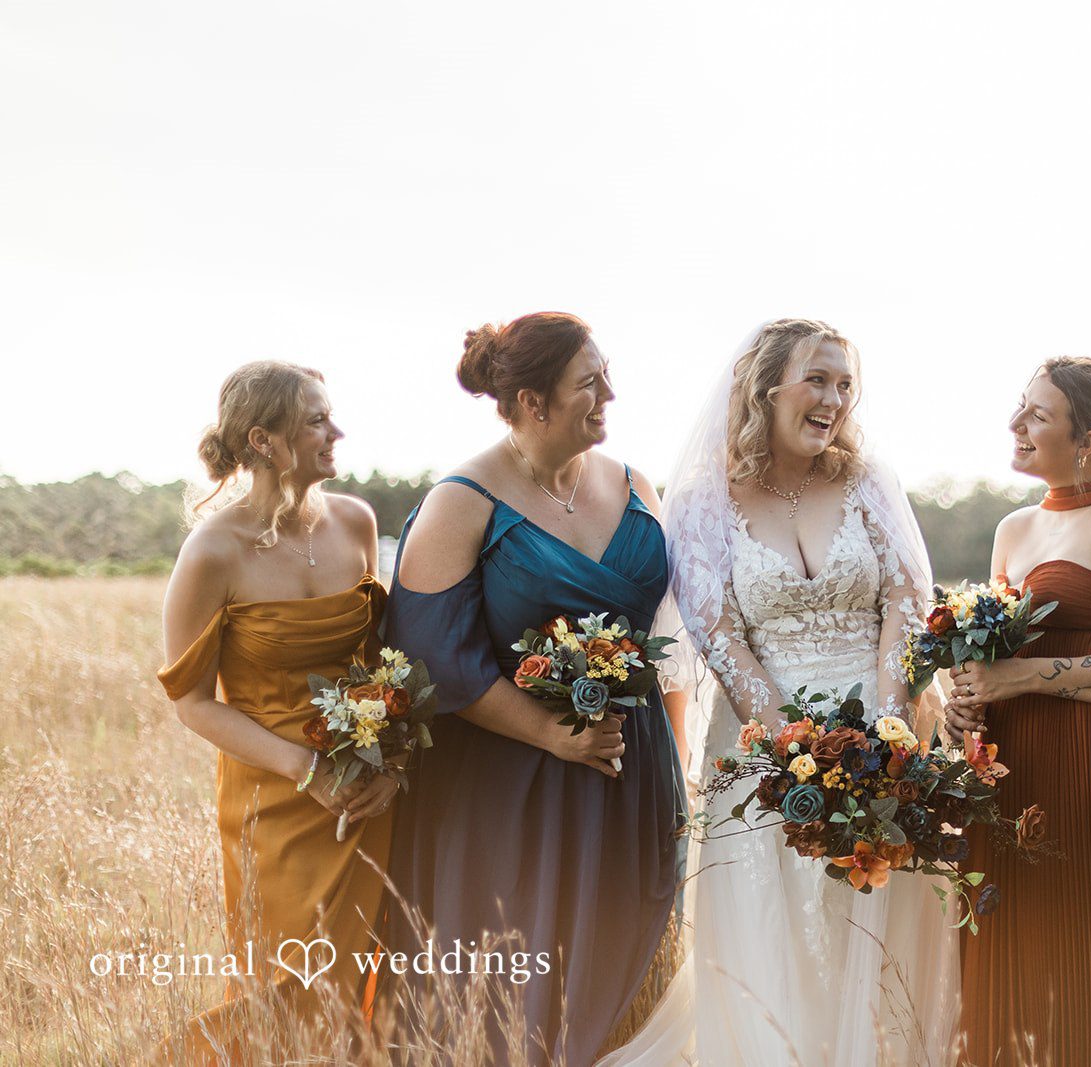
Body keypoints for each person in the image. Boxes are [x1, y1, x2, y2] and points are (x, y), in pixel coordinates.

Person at [604, 319, 959, 1066]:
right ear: (766, 389)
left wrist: (887, 735)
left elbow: (905, 595)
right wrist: (797, 748)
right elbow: (716, 630)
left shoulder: (867, 481)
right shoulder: (705, 499)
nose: (834, 399)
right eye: (818, 380)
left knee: (876, 924)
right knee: (780, 933)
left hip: (882, 733)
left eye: (845, 385)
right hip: (763, 748)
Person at [382, 312, 686, 1065]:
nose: (610, 392)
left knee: (635, 967)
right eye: (589, 381)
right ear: (530, 401)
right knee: (518, 990)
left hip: (630, 768)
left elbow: (668, 632)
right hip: (513, 784)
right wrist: (554, 733)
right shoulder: (463, 502)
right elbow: (434, 662)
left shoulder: (633, 483)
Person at [944, 356, 1091, 1065]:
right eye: (1020, 408)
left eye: (1037, 415)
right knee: (1012, 956)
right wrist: (966, 701)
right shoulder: (1013, 528)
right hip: (1011, 772)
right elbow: (991, 662)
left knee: (1088, 960)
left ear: (1085, 439)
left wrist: (1022, 677)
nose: (1016, 425)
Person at [158, 361, 392, 1060]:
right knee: (283, 980)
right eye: (316, 419)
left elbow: (380, 664)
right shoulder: (211, 552)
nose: (336, 431)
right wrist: (306, 766)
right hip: (276, 792)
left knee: (366, 980)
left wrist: (389, 763)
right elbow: (194, 703)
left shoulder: (356, 521)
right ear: (264, 439)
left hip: (363, 792)